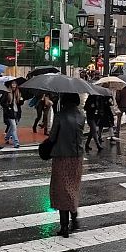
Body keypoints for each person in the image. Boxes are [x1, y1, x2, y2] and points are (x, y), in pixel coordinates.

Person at [49, 93, 85, 237]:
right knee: (72, 189)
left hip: (61, 156)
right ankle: (74, 217)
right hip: (77, 158)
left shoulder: (59, 116)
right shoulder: (81, 116)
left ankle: (64, 227)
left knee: (61, 191)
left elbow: (52, 137)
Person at [0, 80, 23, 148]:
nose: (14, 84)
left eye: (15, 83)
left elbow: (20, 104)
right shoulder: (7, 93)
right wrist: (8, 107)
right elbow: (2, 102)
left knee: (12, 127)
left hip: (17, 112)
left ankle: (7, 138)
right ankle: (16, 142)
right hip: (10, 113)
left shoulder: (18, 93)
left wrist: (21, 100)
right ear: (10, 84)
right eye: (13, 83)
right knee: (14, 128)